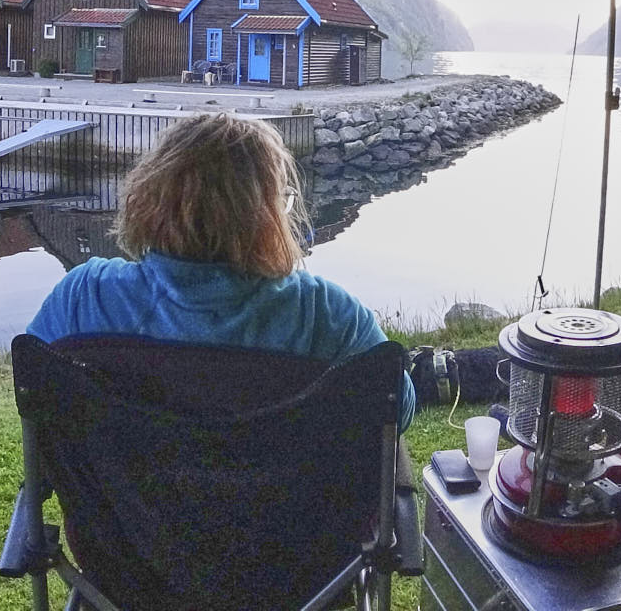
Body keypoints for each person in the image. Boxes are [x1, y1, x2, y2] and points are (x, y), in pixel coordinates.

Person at [28, 111, 415, 430]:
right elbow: (398, 410)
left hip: (123, 522)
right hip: (290, 521)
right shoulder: (326, 316)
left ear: (148, 197)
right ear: (265, 216)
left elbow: (35, 394)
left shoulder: (82, 298)